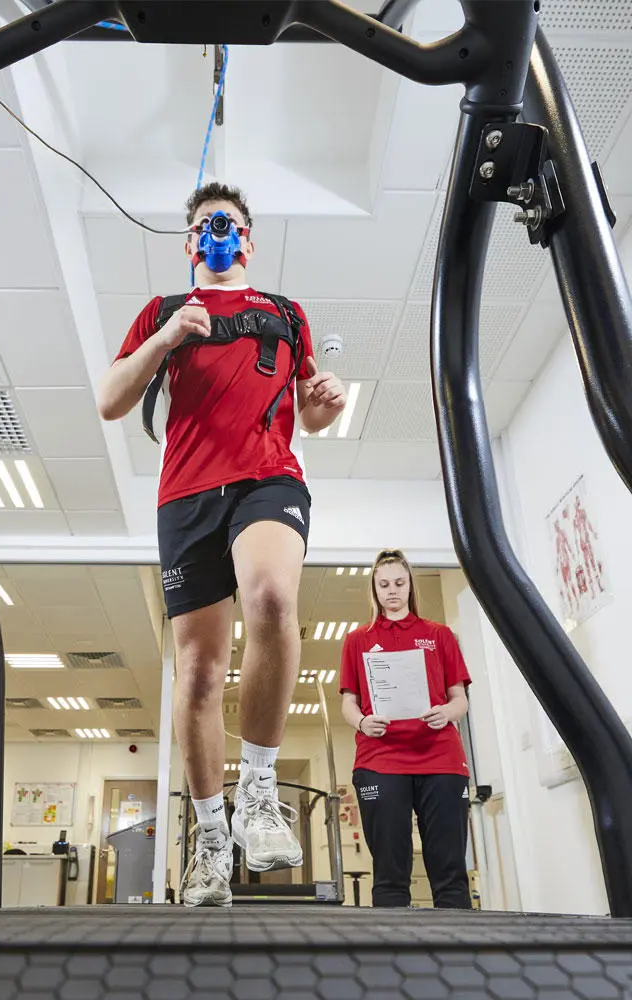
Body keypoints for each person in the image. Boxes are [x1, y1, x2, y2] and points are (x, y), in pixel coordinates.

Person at [98, 182, 347, 906]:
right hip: (185, 496)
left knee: (272, 599)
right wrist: (169, 337)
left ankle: (260, 793)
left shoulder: (285, 313)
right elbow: (110, 399)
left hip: (268, 479)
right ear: (189, 245)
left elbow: (308, 412)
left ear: (248, 239)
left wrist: (322, 409)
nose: (219, 232)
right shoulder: (165, 312)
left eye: (231, 223)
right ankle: (210, 843)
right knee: (200, 674)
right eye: (206, 225)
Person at [339, 548, 472, 909]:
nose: (392, 590)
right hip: (381, 758)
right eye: (384, 585)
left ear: (410, 585)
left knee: (450, 871)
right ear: (374, 589)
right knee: (390, 872)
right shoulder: (357, 640)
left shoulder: (440, 635)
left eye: (399, 582)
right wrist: (364, 721)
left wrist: (447, 712)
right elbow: (348, 703)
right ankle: (392, 959)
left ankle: (460, 958)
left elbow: (459, 699)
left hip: (440, 757)